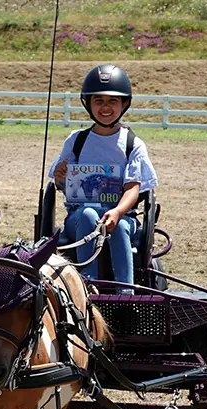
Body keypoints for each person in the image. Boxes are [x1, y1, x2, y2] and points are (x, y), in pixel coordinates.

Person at [48, 64, 158, 288]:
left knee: (115, 224)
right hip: (79, 216)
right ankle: (88, 285)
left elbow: (133, 187)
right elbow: (62, 184)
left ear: (124, 104)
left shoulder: (132, 144)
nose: (105, 107)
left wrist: (117, 212)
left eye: (112, 101)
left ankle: (125, 291)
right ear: (88, 104)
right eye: (99, 101)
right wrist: (61, 176)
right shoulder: (76, 140)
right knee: (88, 214)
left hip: (123, 218)